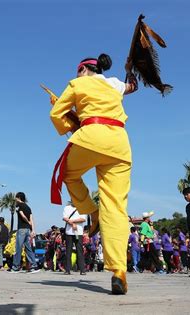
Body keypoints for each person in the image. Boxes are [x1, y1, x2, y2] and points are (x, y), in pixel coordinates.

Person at [49, 53, 137, 294]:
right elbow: (133, 86)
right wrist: (130, 70)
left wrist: (70, 123)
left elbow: (56, 113)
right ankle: (119, 270)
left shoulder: (78, 84)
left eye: (78, 71)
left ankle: (91, 211)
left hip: (90, 137)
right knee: (117, 207)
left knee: (68, 174)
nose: (76, 75)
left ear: (85, 70)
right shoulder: (115, 83)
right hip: (119, 143)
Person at [9, 192, 39, 273]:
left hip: (21, 229)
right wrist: (33, 230)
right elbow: (32, 218)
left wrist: (27, 221)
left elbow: (22, 215)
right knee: (28, 248)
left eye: (16, 197)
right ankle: (34, 266)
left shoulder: (18, 205)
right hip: (28, 230)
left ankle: (15, 267)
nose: (15, 199)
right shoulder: (28, 207)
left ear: (18, 198)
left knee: (18, 248)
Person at [62, 203, 87, 275]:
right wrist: (72, 223)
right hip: (69, 232)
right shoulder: (67, 207)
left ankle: (82, 269)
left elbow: (83, 219)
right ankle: (67, 269)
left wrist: (71, 221)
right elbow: (64, 217)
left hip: (78, 232)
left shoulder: (82, 207)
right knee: (68, 251)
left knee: (79, 251)